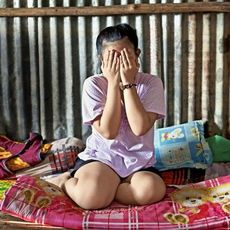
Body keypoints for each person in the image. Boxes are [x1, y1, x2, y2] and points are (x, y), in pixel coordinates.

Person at [47, 23, 166, 210]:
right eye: (112, 58)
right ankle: (66, 180)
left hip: (138, 163)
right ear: (101, 60)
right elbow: (109, 132)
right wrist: (112, 83)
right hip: (102, 159)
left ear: (137, 54)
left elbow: (139, 127)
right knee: (91, 198)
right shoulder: (93, 84)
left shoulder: (151, 83)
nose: (119, 63)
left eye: (126, 56)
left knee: (151, 190)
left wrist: (127, 83)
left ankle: (111, 189)